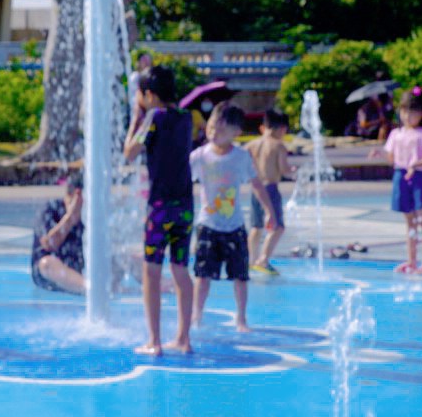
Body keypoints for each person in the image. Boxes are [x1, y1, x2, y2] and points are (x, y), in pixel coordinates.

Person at [123, 65, 195, 356]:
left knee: (152, 271)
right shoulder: (186, 117)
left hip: (160, 207)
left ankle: (154, 340)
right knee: (180, 268)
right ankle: (183, 338)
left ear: (149, 94)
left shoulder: (153, 117)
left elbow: (130, 153)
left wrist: (134, 120)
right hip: (186, 206)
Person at [189, 103, 255, 331]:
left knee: (240, 276)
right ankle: (197, 315)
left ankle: (241, 318)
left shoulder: (241, 157)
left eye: (220, 130)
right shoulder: (199, 156)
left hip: (235, 225)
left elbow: (256, 183)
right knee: (202, 276)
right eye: (211, 127)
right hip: (207, 224)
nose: (213, 133)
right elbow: (182, 183)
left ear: (236, 132)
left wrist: (271, 211)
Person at [374, 88, 422, 274]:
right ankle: (411, 260)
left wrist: (415, 165)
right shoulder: (396, 134)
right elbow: (392, 158)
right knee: (409, 222)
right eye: (404, 111)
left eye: (412, 112)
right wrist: (380, 154)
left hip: (419, 178)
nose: (407, 116)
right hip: (401, 176)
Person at [249, 110, 295, 274]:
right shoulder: (278, 145)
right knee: (277, 227)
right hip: (270, 188)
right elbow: (283, 169)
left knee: (256, 226)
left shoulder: (252, 144)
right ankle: (263, 260)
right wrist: (292, 170)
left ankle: (251, 259)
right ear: (281, 128)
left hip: (255, 188)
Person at [31, 174, 85, 294]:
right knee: (47, 263)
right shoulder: (51, 209)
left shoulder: (92, 216)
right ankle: (90, 288)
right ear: (74, 196)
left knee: (124, 257)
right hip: (50, 272)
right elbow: (48, 244)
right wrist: (70, 218)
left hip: (78, 270)